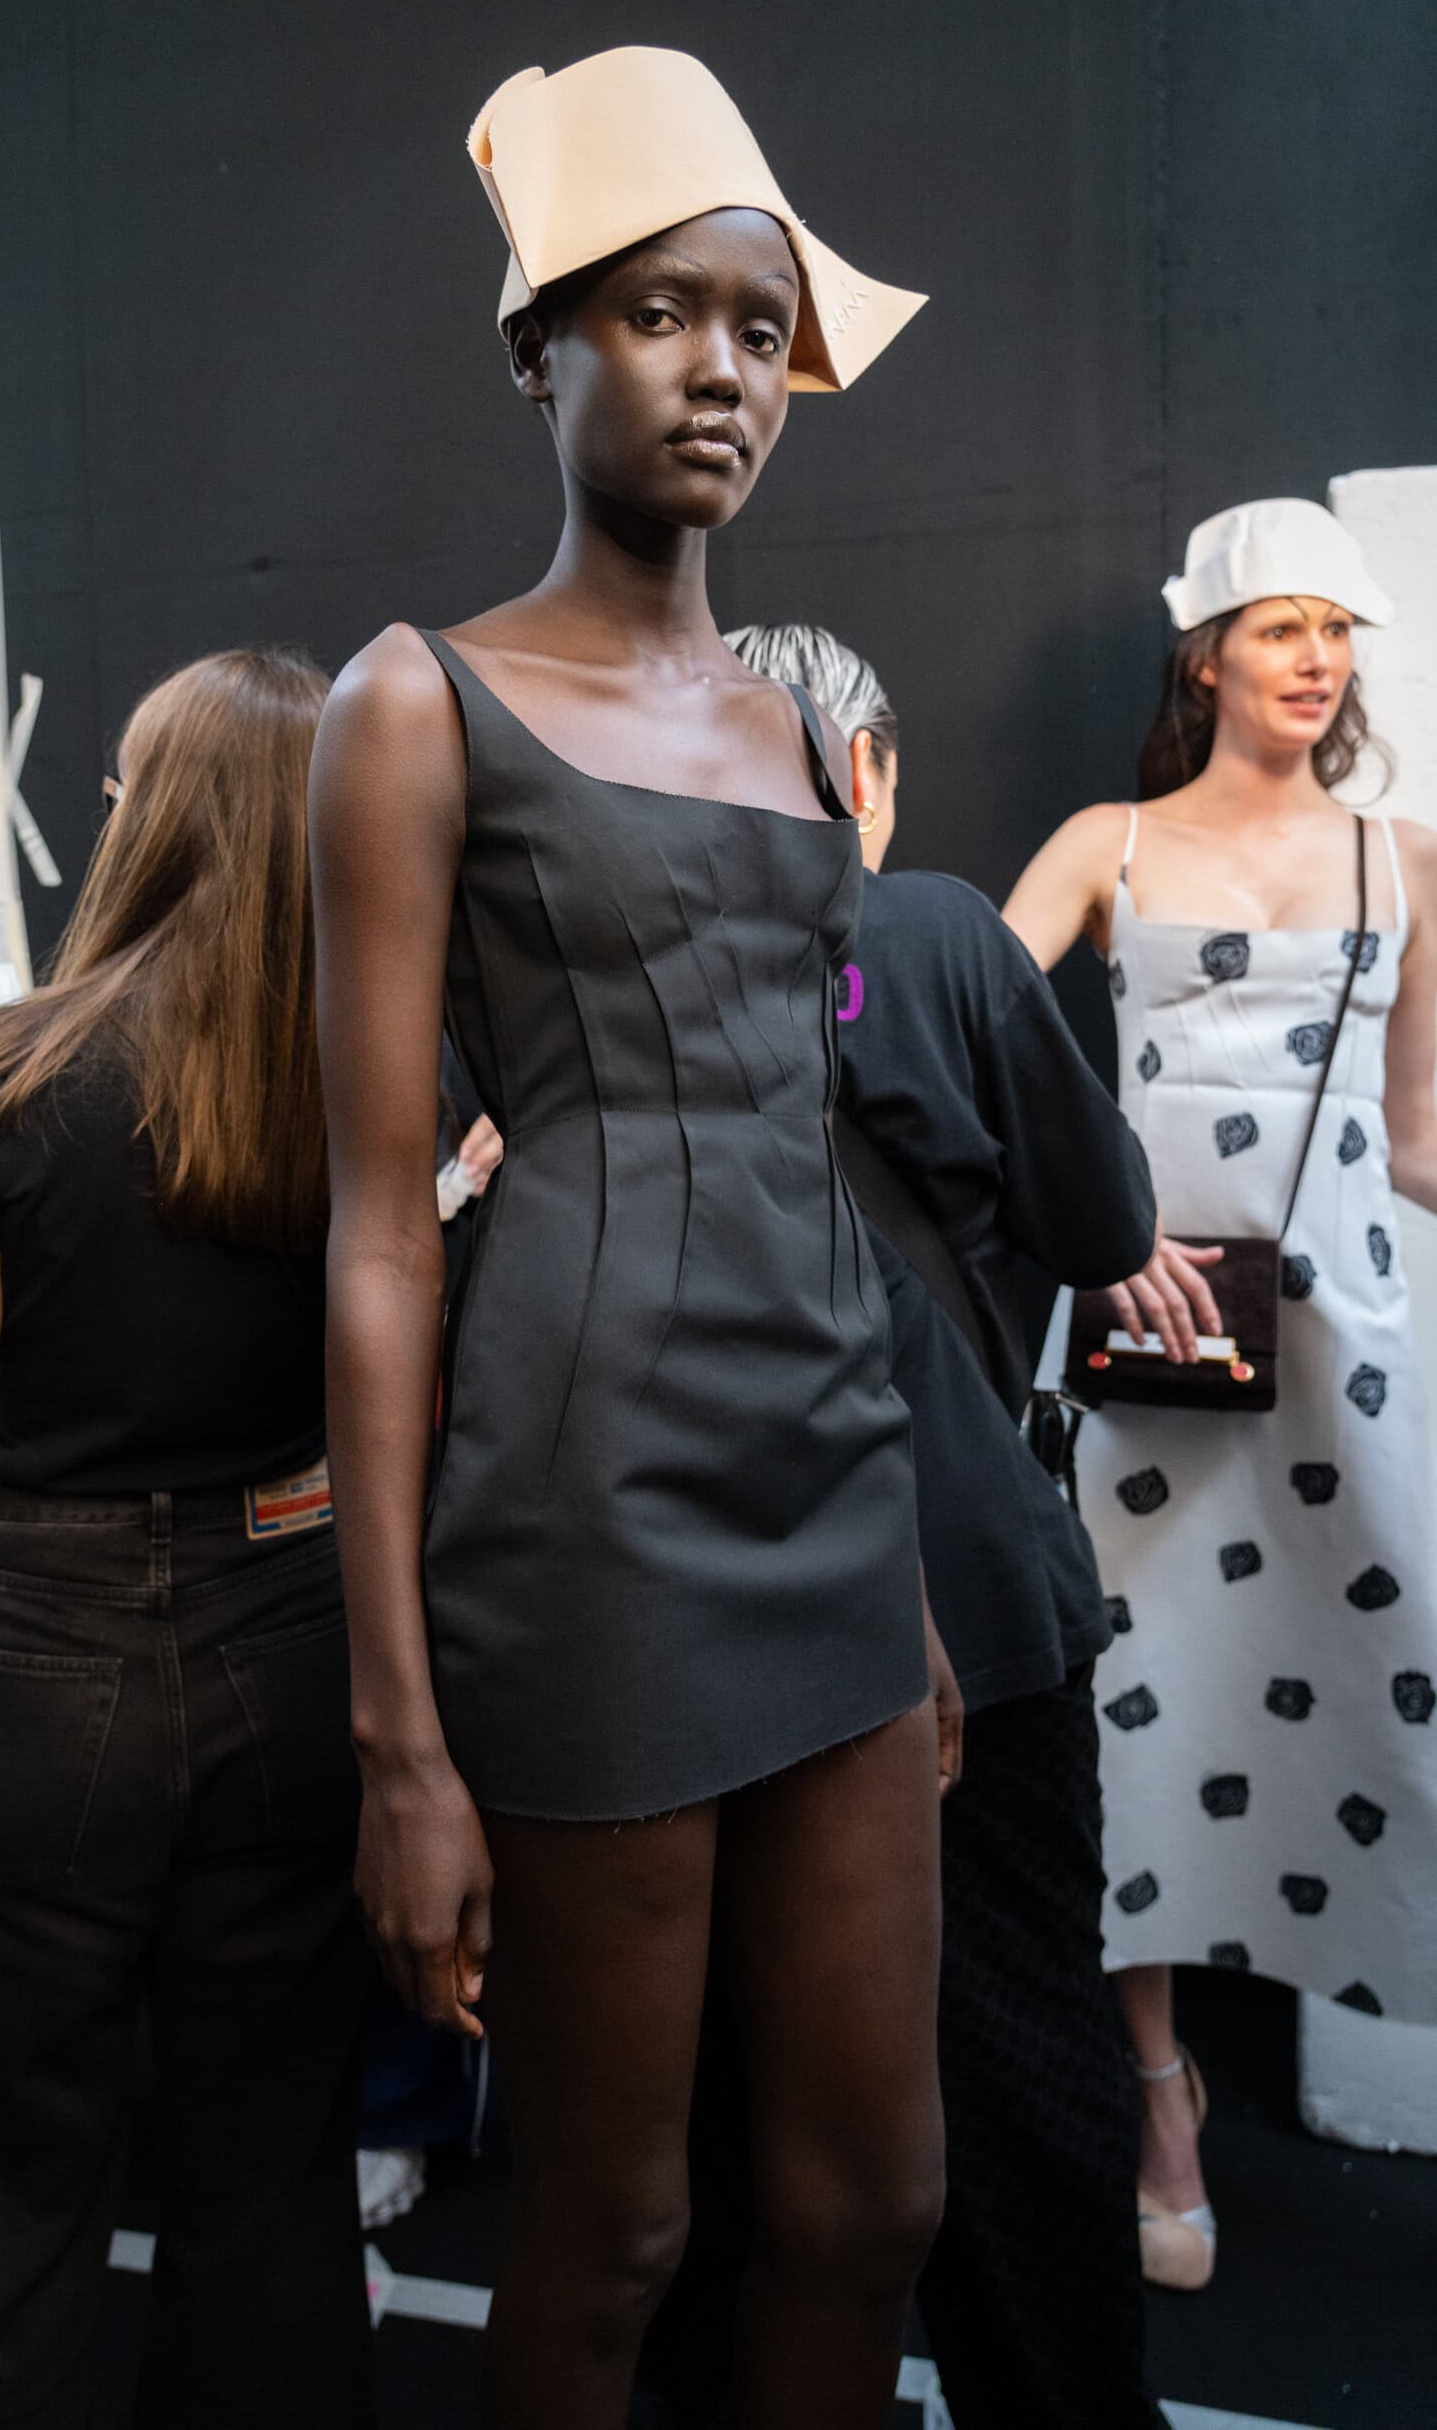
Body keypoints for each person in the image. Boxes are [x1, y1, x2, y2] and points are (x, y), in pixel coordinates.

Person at [309, 47, 951, 2430]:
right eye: (662, 313)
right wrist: (398, 1736)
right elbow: (382, 1233)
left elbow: (802, 1160)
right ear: (537, 346)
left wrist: (902, 1578)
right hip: (587, 1525)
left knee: (871, 2200)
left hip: (831, 1499)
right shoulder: (415, 702)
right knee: (615, 2227)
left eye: (760, 331)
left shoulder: (791, 732)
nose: (722, 373)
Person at [0, 650, 374, 2428]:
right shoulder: (374, 1075)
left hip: (40, 1664)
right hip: (295, 1624)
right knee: (270, 2188)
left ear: (150, 821)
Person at [636, 622, 1165, 2430]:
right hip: (966, 1578)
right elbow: (1104, 1228)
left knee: (729, 2097)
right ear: (865, 770)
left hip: (701, 1602)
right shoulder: (934, 930)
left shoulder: (613, 972)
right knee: (1016, 2069)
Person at [1004, 498, 1437, 2290]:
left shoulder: (1407, 856)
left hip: (1350, 1353)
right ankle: (1159, 2098)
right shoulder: (1104, 845)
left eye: (1337, 628)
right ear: (1208, 655)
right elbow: (969, 1039)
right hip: (1156, 1341)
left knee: (1380, 1686)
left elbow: (1417, 1138)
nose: (1316, 657)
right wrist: (1077, 1231)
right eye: (1281, 627)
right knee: (1141, 1722)